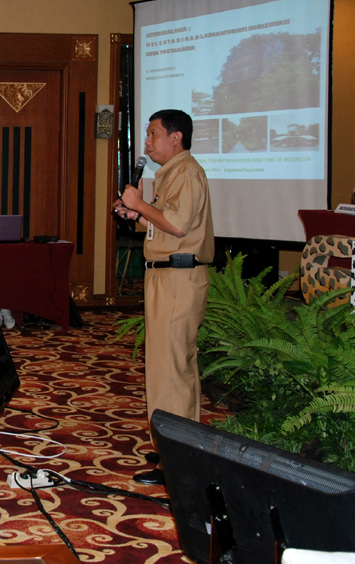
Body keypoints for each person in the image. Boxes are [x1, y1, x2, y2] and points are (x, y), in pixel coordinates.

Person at [113, 109, 215, 485]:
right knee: (169, 368)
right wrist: (137, 215)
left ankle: (178, 461)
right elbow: (168, 227)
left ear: (176, 137)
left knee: (171, 371)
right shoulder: (173, 173)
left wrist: (139, 205)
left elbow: (179, 224)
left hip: (178, 278)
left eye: (153, 134)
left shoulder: (186, 172)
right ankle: (179, 451)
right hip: (169, 277)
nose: (147, 142)